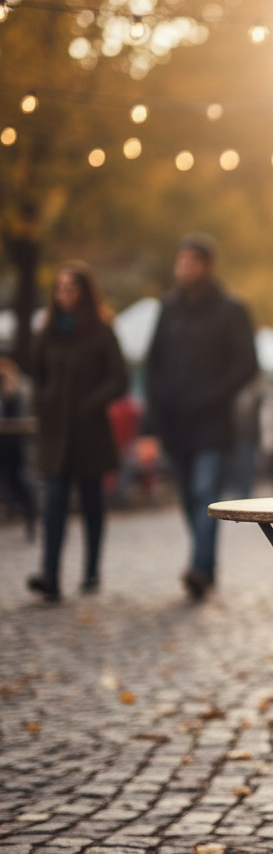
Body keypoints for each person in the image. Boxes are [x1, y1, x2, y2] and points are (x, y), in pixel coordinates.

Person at [146, 234, 258, 600]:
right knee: (186, 499)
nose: (184, 269)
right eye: (180, 262)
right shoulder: (169, 307)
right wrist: (157, 404)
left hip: (212, 423)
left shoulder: (230, 310)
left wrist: (211, 397)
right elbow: (154, 361)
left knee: (204, 492)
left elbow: (247, 365)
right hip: (175, 423)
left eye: (191, 262)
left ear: (207, 266)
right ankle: (205, 565)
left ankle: (198, 567)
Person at [26, 263, 128, 601]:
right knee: (53, 500)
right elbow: (35, 374)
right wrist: (44, 400)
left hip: (90, 432)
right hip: (55, 433)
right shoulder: (47, 332)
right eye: (60, 287)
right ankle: (50, 575)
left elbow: (119, 378)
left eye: (71, 287)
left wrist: (91, 402)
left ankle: (91, 569)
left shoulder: (101, 331)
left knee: (90, 501)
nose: (64, 293)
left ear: (84, 291)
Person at [0, 355, 37, 539]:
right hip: (3, 444)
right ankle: (11, 510)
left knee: (20, 479)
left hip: (16, 444)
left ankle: (30, 516)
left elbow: (25, 415)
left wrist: (10, 390)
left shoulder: (21, 388)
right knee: (8, 479)